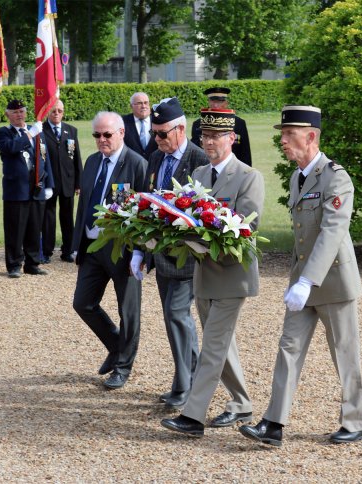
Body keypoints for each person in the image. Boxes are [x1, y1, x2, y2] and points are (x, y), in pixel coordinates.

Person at [240, 105, 362, 447]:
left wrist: (307, 280)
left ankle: (355, 422)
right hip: (303, 284)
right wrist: (299, 281)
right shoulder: (298, 177)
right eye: (282, 134)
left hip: (333, 283)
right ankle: (273, 423)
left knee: (344, 353)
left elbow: (332, 232)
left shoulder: (335, 177)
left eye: (289, 135)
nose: (282, 141)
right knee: (288, 349)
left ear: (310, 136)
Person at [161, 108, 265, 437]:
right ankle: (241, 403)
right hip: (204, 274)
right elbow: (187, 216)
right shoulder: (201, 176)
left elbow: (246, 225)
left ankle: (192, 416)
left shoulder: (250, 176)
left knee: (213, 347)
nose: (209, 142)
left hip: (233, 276)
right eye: (205, 136)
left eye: (216, 136)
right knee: (221, 344)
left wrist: (201, 236)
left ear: (232, 138)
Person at [140, 97, 208, 409]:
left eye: (162, 133)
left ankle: (189, 386)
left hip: (187, 255)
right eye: (154, 133)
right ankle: (185, 379)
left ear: (180, 129)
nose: (157, 139)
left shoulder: (199, 159)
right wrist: (141, 252)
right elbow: (150, 203)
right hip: (161, 254)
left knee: (178, 314)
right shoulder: (155, 158)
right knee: (171, 318)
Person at [72, 111, 147, 389]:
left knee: (128, 310)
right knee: (83, 302)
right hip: (93, 246)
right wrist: (78, 246)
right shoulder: (92, 162)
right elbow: (84, 206)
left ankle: (123, 366)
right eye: (96, 135)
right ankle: (117, 346)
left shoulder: (136, 164)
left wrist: (141, 253)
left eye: (107, 134)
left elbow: (143, 213)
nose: (101, 140)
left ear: (121, 133)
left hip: (123, 249)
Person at [0, 99, 55, 278]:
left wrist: (49, 183)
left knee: (35, 228)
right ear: (7, 115)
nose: (19, 115)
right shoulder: (3, 133)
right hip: (17, 188)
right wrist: (30, 134)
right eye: (15, 112)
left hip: (37, 187)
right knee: (15, 229)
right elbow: (10, 148)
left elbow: (45, 157)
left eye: (22, 111)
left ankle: (32, 263)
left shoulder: (37, 132)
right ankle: (14, 264)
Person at [41, 99, 82, 264]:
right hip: (49, 182)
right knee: (48, 218)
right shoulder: (41, 130)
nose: (57, 113)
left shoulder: (71, 130)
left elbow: (76, 158)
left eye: (60, 110)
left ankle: (68, 250)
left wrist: (79, 182)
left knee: (67, 217)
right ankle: (47, 250)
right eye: (53, 110)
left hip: (68, 182)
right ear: (47, 112)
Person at [191, 87, 252, 167]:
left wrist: (245, 173)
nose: (216, 105)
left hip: (232, 168)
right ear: (209, 102)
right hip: (206, 168)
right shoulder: (198, 124)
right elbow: (195, 151)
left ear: (226, 103)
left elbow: (244, 152)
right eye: (213, 101)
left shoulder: (239, 123)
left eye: (219, 101)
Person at [121, 92, 158, 160]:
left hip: (155, 165)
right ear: (131, 106)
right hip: (131, 165)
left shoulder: (158, 120)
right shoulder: (122, 122)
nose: (143, 106)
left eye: (146, 102)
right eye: (139, 103)